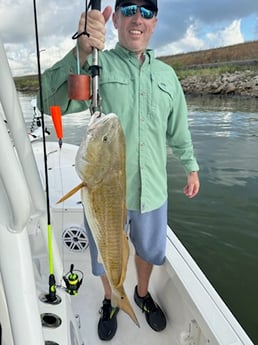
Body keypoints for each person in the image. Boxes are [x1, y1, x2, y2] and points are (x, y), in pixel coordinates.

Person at [40, 0, 200, 341]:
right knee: (103, 254)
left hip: (152, 190)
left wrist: (191, 167)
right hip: (103, 194)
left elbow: (178, 130)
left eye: (146, 11)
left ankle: (140, 293)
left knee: (149, 251)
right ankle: (111, 298)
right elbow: (49, 100)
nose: (137, 18)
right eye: (128, 9)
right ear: (116, 20)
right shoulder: (99, 67)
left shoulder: (168, 76)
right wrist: (80, 53)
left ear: (155, 21)